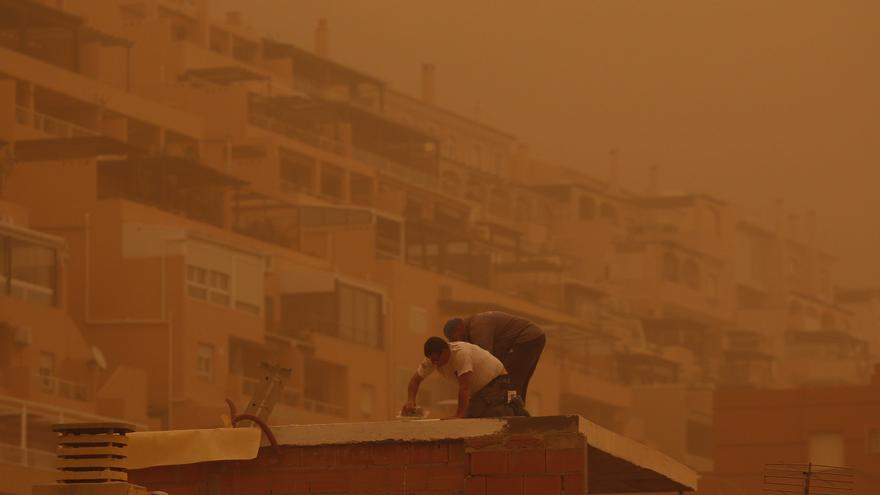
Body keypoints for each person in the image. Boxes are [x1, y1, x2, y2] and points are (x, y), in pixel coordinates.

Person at [401, 337, 526, 418]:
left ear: (445, 352)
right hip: (479, 391)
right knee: (474, 414)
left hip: (497, 380)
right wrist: (410, 401)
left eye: (436, 359)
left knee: (478, 415)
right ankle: (512, 407)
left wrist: (459, 416)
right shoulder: (431, 360)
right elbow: (415, 380)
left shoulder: (460, 354)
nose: (435, 364)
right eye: (432, 360)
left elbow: (464, 387)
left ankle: (515, 408)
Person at [443, 311, 545, 405]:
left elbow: (485, 359)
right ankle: (517, 410)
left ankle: (513, 411)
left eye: (456, 338)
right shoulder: (471, 329)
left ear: (460, 328)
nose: (459, 342)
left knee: (510, 379)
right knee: (518, 381)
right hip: (535, 337)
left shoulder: (478, 327)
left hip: (526, 338)